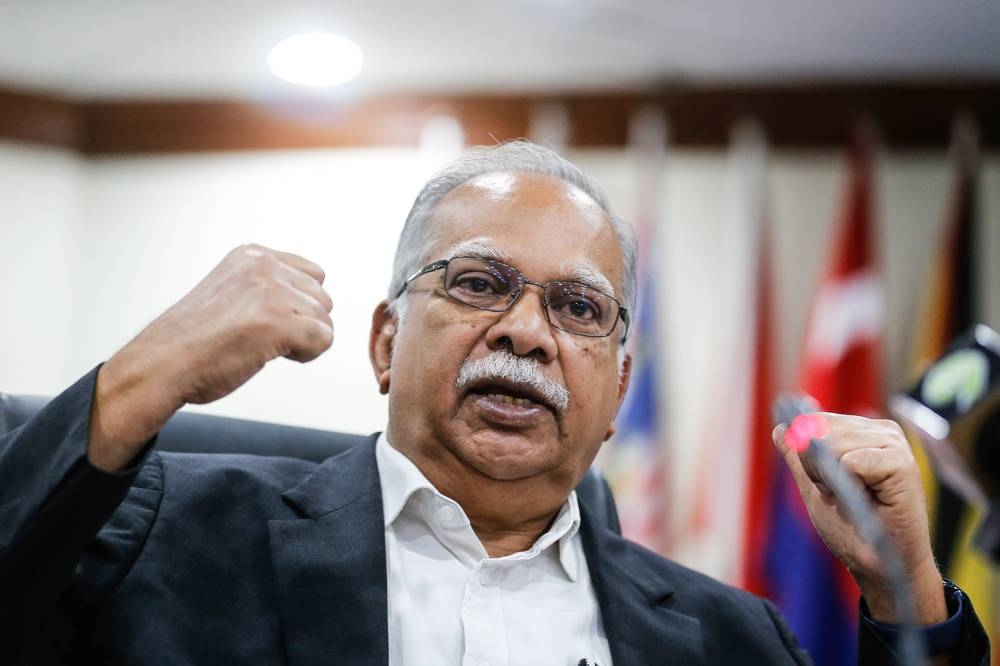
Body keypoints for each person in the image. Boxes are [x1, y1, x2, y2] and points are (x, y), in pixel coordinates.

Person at [0, 141, 989, 665]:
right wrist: (145, 374)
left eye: (575, 307)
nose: (525, 332)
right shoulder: (162, 535)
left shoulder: (730, 640)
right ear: (386, 342)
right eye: (477, 284)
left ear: (618, 395)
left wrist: (908, 593)